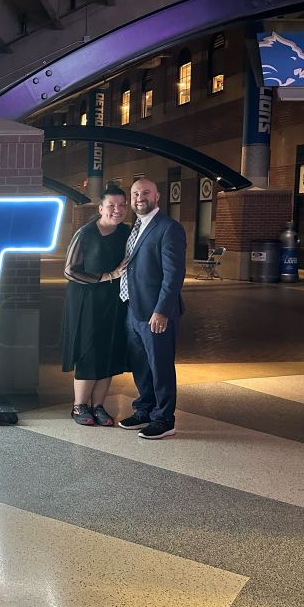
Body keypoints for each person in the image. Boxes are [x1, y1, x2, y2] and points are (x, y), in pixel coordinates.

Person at [117, 178, 186, 440]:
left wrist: (162, 311)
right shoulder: (135, 227)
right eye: (135, 193)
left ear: (157, 196)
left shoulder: (169, 228)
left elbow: (174, 274)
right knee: (142, 365)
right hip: (133, 308)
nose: (139, 197)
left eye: (145, 192)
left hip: (155, 312)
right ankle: (144, 409)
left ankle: (164, 419)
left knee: (160, 365)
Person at [61, 185, 130, 427]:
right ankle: (79, 406)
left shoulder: (127, 232)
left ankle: (98, 406)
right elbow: (70, 271)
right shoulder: (86, 233)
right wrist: (108, 276)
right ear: (101, 208)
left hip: (114, 301)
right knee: (88, 350)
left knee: (108, 351)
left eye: (122, 205)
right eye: (111, 205)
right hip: (86, 301)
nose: (117, 210)